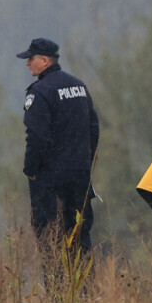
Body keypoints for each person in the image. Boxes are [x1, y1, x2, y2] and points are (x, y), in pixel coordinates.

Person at [17, 37, 99, 255]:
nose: (27, 63)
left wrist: (31, 170)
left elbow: (36, 136)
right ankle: (85, 289)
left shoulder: (40, 92)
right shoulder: (79, 87)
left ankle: (57, 289)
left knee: (50, 242)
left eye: (30, 58)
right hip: (80, 177)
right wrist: (85, 164)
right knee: (81, 240)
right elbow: (93, 129)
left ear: (44, 60)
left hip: (50, 182)